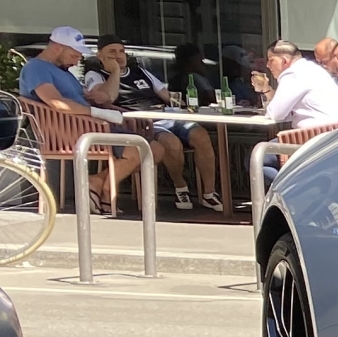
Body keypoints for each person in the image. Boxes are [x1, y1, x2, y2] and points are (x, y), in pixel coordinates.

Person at [16, 28, 139, 215]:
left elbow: (100, 97)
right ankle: (100, 189)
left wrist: (105, 91)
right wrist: (98, 113)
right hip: (73, 130)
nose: (77, 60)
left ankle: (97, 184)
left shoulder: (63, 72)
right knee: (139, 149)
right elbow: (56, 103)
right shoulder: (36, 68)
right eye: (74, 54)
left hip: (90, 126)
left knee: (153, 149)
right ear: (57, 47)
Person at [87, 38, 217, 214]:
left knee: (201, 135)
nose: (118, 56)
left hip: (166, 115)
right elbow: (107, 97)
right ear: (100, 56)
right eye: (112, 52)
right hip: (141, 124)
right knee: (171, 143)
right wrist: (115, 72)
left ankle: (209, 193)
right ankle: (181, 188)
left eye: (121, 51)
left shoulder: (141, 72)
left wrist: (193, 102)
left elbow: (167, 96)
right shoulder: (95, 76)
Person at [250, 40, 338, 190]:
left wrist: (266, 94)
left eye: (271, 60)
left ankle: (295, 193)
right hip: (334, 138)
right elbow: (286, 111)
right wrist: (266, 90)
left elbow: (276, 114)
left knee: (255, 159)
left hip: (310, 141)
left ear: (284, 60)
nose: (268, 65)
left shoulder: (292, 74)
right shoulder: (311, 69)